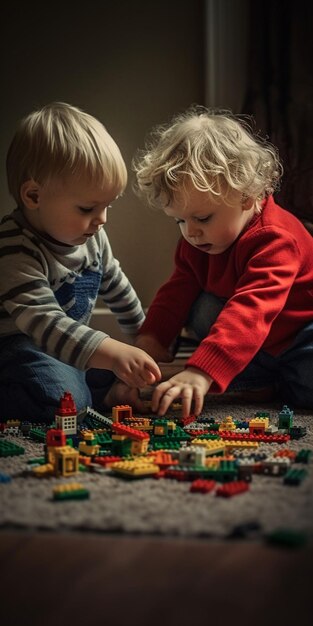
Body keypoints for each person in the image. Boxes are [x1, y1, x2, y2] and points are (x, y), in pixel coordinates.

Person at [133, 106, 313, 418]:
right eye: (179, 221)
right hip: (260, 345)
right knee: (203, 308)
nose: (190, 232)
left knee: (306, 383)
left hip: (301, 334)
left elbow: (251, 310)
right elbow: (176, 291)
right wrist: (150, 340)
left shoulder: (276, 238)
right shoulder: (198, 240)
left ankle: (275, 381)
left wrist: (200, 372)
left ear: (246, 195)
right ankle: (264, 380)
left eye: (202, 217)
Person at [0, 102, 161, 421]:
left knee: (117, 371)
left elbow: (116, 285)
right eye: (87, 209)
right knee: (65, 402)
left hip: (66, 347)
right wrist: (111, 351)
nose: (101, 220)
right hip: (19, 348)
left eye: (107, 207)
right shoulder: (14, 246)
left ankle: (105, 394)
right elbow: (45, 323)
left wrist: (144, 337)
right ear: (34, 196)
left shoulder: (92, 237)